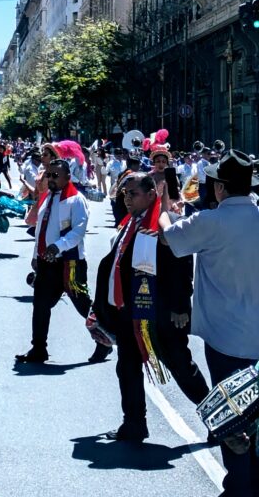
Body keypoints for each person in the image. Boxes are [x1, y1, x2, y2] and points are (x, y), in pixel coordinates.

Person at [160, 150, 259, 496]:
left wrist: (163, 210)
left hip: (225, 338)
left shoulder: (211, 222)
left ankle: (239, 487)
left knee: (232, 418)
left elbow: (168, 237)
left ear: (219, 189)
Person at [92, 173, 208, 443]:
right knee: (127, 367)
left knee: (182, 368)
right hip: (130, 313)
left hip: (161, 315)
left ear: (151, 194)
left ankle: (219, 420)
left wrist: (180, 306)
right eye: (125, 193)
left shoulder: (163, 225)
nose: (127, 198)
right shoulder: (130, 223)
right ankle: (134, 424)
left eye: (133, 193)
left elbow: (181, 268)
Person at [16, 158, 108, 364]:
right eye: (48, 174)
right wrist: (35, 256)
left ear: (68, 177)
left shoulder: (76, 200)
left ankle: (104, 340)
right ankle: (38, 348)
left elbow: (78, 231)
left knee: (83, 305)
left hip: (69, 262)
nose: (50, 178)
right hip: (47, 263)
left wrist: (58, 246)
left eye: (55, 175)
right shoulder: (48, 198)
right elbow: (40, 230)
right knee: (40, 305)